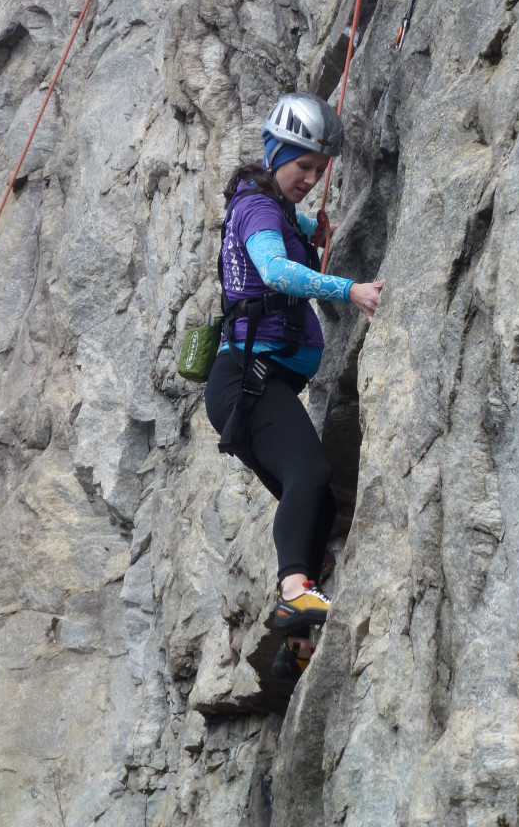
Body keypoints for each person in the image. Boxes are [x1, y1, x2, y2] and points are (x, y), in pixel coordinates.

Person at [204, 92, 384, 680]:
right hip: (247, 384)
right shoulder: (258, 211)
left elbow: (287, 232)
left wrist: (310, 225)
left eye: (319, 169)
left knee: (319, 506)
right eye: (302, 166)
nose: (311, 178)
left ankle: (293, 653)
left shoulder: (271, 208)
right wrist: (348, 289)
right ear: (277, 152)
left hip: (252, 387)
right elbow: (276, 270)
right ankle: (292, 594)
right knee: (309, 474)